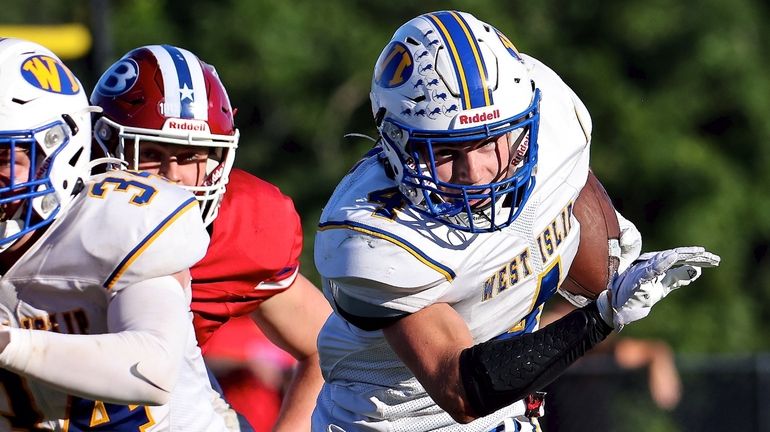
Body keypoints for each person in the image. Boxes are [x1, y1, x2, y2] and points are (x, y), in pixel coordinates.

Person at [311, 10, 720, 432]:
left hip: (512, 412)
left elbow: (570, 183)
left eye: (489, 141)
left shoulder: (554, 117)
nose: (477, 172)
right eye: (448, 153)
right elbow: (460, 391)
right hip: (402, 422)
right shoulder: (371, 236)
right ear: (397, 142)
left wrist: (611, 253)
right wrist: (600, 315)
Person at [90, 44, 331, 431]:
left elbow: (327, 347)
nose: (173, 176)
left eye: (189, 156)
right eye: (150, 152)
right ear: (104, 148)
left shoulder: (244, 226)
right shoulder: (60, 220)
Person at [0, 38, 235, 431]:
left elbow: (150, 369)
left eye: (4, 155)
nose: (175, 171)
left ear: (57, 151)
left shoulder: (122, 223)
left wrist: (7, 343)